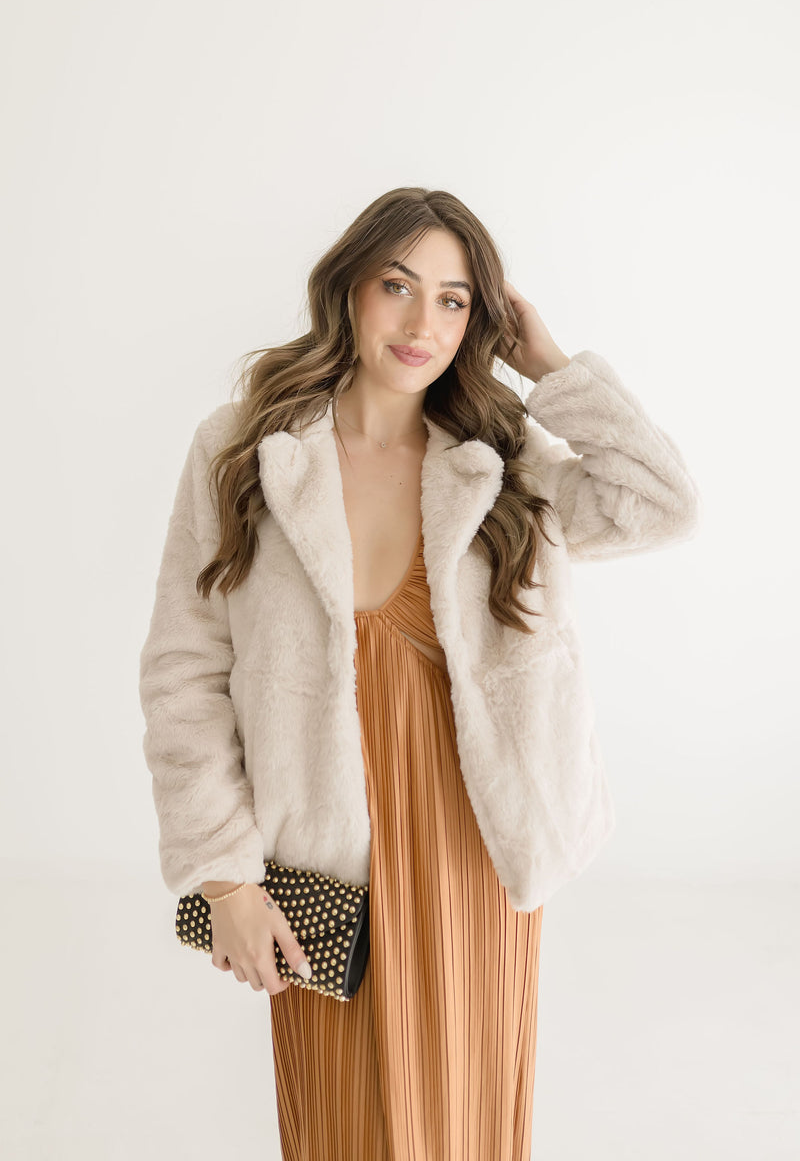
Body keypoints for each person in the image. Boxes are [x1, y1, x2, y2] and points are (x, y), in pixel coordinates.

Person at [138, 186, 701, 1160]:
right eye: (397, 286)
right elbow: (184, 669)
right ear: (348, 288)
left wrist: (549, 368)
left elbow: (661, 504)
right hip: (320, 851)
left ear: (481, 320)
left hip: (477, 842)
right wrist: (223, 878)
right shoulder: (243, 451)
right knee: (340, 1121)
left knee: (466, 1116)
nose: (421, 324)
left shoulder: (502, 458)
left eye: (453, 300)